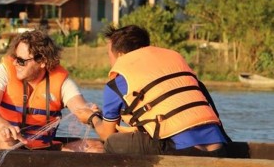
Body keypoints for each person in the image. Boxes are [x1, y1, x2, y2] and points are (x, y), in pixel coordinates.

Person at [75, 25, 229, 157]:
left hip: (183, 150)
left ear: (121, 56)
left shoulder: (118, 82)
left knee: (113, 143)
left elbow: (106, 134)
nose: (110, 61)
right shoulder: (173, 64)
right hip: (219, 146)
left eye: (109, 55)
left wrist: (92, 118)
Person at [0, 29, 102, 152]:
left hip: (39, 148)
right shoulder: (3, 72)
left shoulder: (61, 82)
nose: (15, 63)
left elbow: (80, 107)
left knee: (96, 148)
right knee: (5, 139)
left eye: (21, 61)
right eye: (15, 57)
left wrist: (91, 113)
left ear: (42, 61)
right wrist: (4, 126)